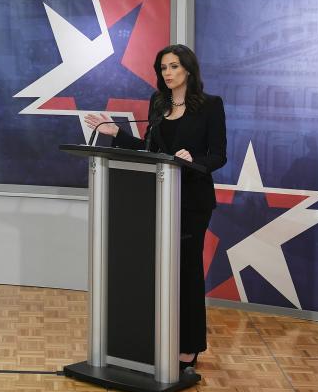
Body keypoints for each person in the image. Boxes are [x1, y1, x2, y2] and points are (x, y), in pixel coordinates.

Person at [84, 44, 226, 372]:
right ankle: (161, 339)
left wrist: (194, 159)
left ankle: (189, 347)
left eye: (174, 66)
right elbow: (151, 150)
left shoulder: (210, 106)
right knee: (158, 272)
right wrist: (116, 134)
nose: (168, 73)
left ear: (188, 69)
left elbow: (219, 155)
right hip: (159, 199)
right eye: (163, 68)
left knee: (186, 272)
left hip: (192, 201)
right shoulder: (158, 103)